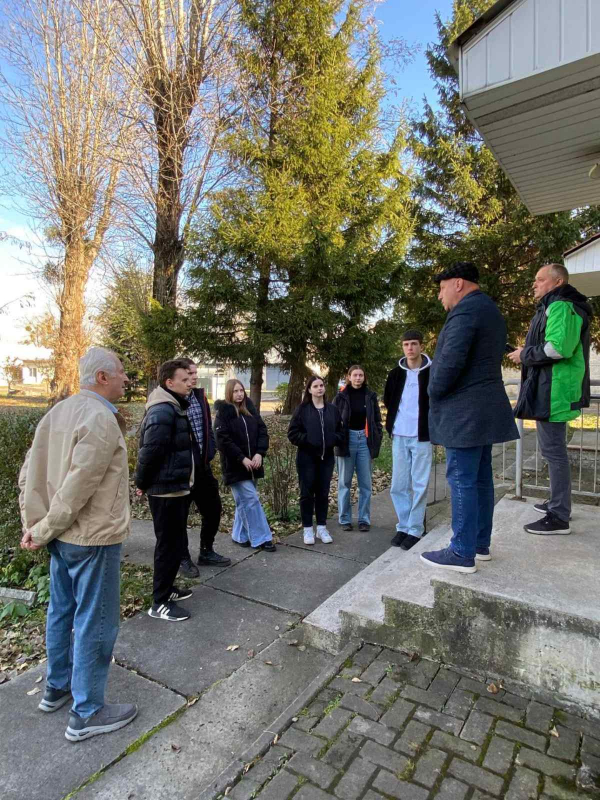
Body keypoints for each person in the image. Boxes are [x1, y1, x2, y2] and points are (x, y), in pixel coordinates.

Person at [18, 347, 137, 742]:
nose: (126, 379)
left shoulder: (57, 413)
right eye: (121, 373)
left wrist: (36, 527)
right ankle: (87, 712)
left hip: (61, 537)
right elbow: (78, 486)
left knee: (61, 612)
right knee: (96, 621)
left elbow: (28, 476)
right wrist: (45, 526)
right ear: (102, 377)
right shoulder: (99, 417)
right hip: (91, 538)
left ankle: (56, 688)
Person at [422, 262, 519, 573]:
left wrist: (433, 390)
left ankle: (461, 552)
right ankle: (479, 544)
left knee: (462, 479)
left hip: (464, 411)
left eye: (441, 288)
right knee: (480, 479)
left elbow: (450, 361)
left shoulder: (465, 312)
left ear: (458, 283)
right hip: (483, 408)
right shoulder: (489, 309)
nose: (440, 296)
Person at [509, 263, 592, 535]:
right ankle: (558, 504)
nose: (534, 284)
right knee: (553, 451)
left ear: (557, 282)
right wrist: (526, 351)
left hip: (555, 390)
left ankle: (559, 516)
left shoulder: (561, 306)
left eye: (540, 279)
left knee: (554, 452)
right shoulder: (555, 305)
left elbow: (558, 348)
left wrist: (525, 355)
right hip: (552, 388)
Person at [136, 359, 195, 622]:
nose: (190, 382)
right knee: (167, 546)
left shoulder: (175, 406)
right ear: (169, 383)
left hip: (176, 488)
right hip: (165, 490)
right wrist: (141, 483)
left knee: (174, 544)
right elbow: (150, 452)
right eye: (184, 379)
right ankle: (159, 602)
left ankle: (168, 590)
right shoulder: (163, 411)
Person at [176, 357, 230, 577]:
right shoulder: (171, 401)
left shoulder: (199, 397)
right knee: (180, 516)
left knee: (213, 509)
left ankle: (206, 550)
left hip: (202, 467)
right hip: (181, 470)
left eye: (196, 374)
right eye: (190, 375)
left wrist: (210, 450)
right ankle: (182, 558)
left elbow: (207, 426)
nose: (194, 378)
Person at [383, 330, 433, 551]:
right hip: (400, 435)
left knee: (419, 484)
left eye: (414, 343)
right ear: (402, 347)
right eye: (406, 344)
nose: (410, 348)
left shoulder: (432, 371)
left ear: (421, 346)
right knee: (399, 485)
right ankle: (403, 526)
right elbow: (388, 399)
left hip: (422, 436)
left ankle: (415, 529)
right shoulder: (395, 374)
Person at [214, 379, 276, 551]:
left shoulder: (250, 409)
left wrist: (259, 453)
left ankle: (239, 535)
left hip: (253, 465)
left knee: (244, 502)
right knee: (251, 500)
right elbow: (223, 441)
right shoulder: (223, 414)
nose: (239, 394)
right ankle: (262, 538)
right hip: (235, 466)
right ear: (229, 393)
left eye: (241, 390)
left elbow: (262, 431)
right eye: (235, 391)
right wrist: (241, 458)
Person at [288, 375, 344, 545]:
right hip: (307, 458)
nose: (319, 388)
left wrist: (332, 439)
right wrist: (309, 439)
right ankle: (307, 529)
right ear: (309, 389)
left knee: (323, 493)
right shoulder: (302, 410)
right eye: (315, 386)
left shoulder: (332, 410)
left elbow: (341, 432)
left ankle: (321, 528)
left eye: (321, 385)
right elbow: (292, 433)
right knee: (306, 494)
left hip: (326, 458)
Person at [333, 365, 383, 532]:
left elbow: (377, 419)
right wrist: (337, 439)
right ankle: (345, 519)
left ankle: (364, 519)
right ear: (349, 377)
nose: (358, 378)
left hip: (364, 441)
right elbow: (333, 421)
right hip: (346, 441)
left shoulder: (370, 396)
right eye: (355, 375)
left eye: (361, 375)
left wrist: (377, 436)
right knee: (344, 483)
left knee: (366, 484)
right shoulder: (340, 397)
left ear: (364, 377)